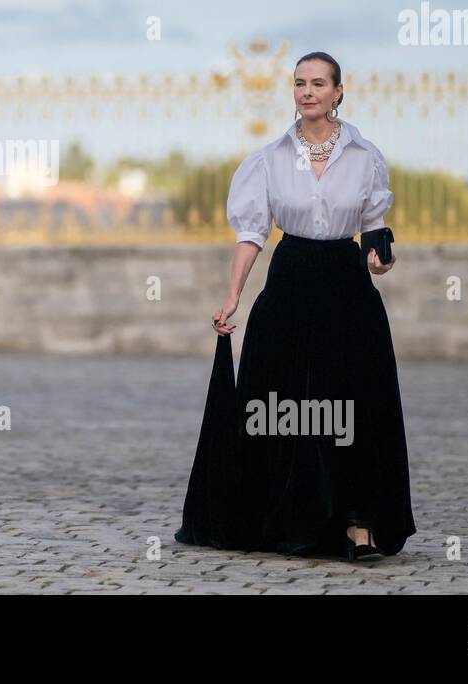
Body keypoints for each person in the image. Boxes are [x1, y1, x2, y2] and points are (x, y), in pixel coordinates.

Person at [175, 51, 416, 562]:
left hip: (348, 292)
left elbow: (373, 226)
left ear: (338, 92)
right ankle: (295, 520)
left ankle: (359, 526)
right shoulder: (268, 160)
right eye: (299, 84)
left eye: (318, 84)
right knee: (286, 411)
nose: (307, 92)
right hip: (289, 288)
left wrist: (378, 258)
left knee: (354, 406)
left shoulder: (365, 156)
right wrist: (232, 296)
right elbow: (251, 234)